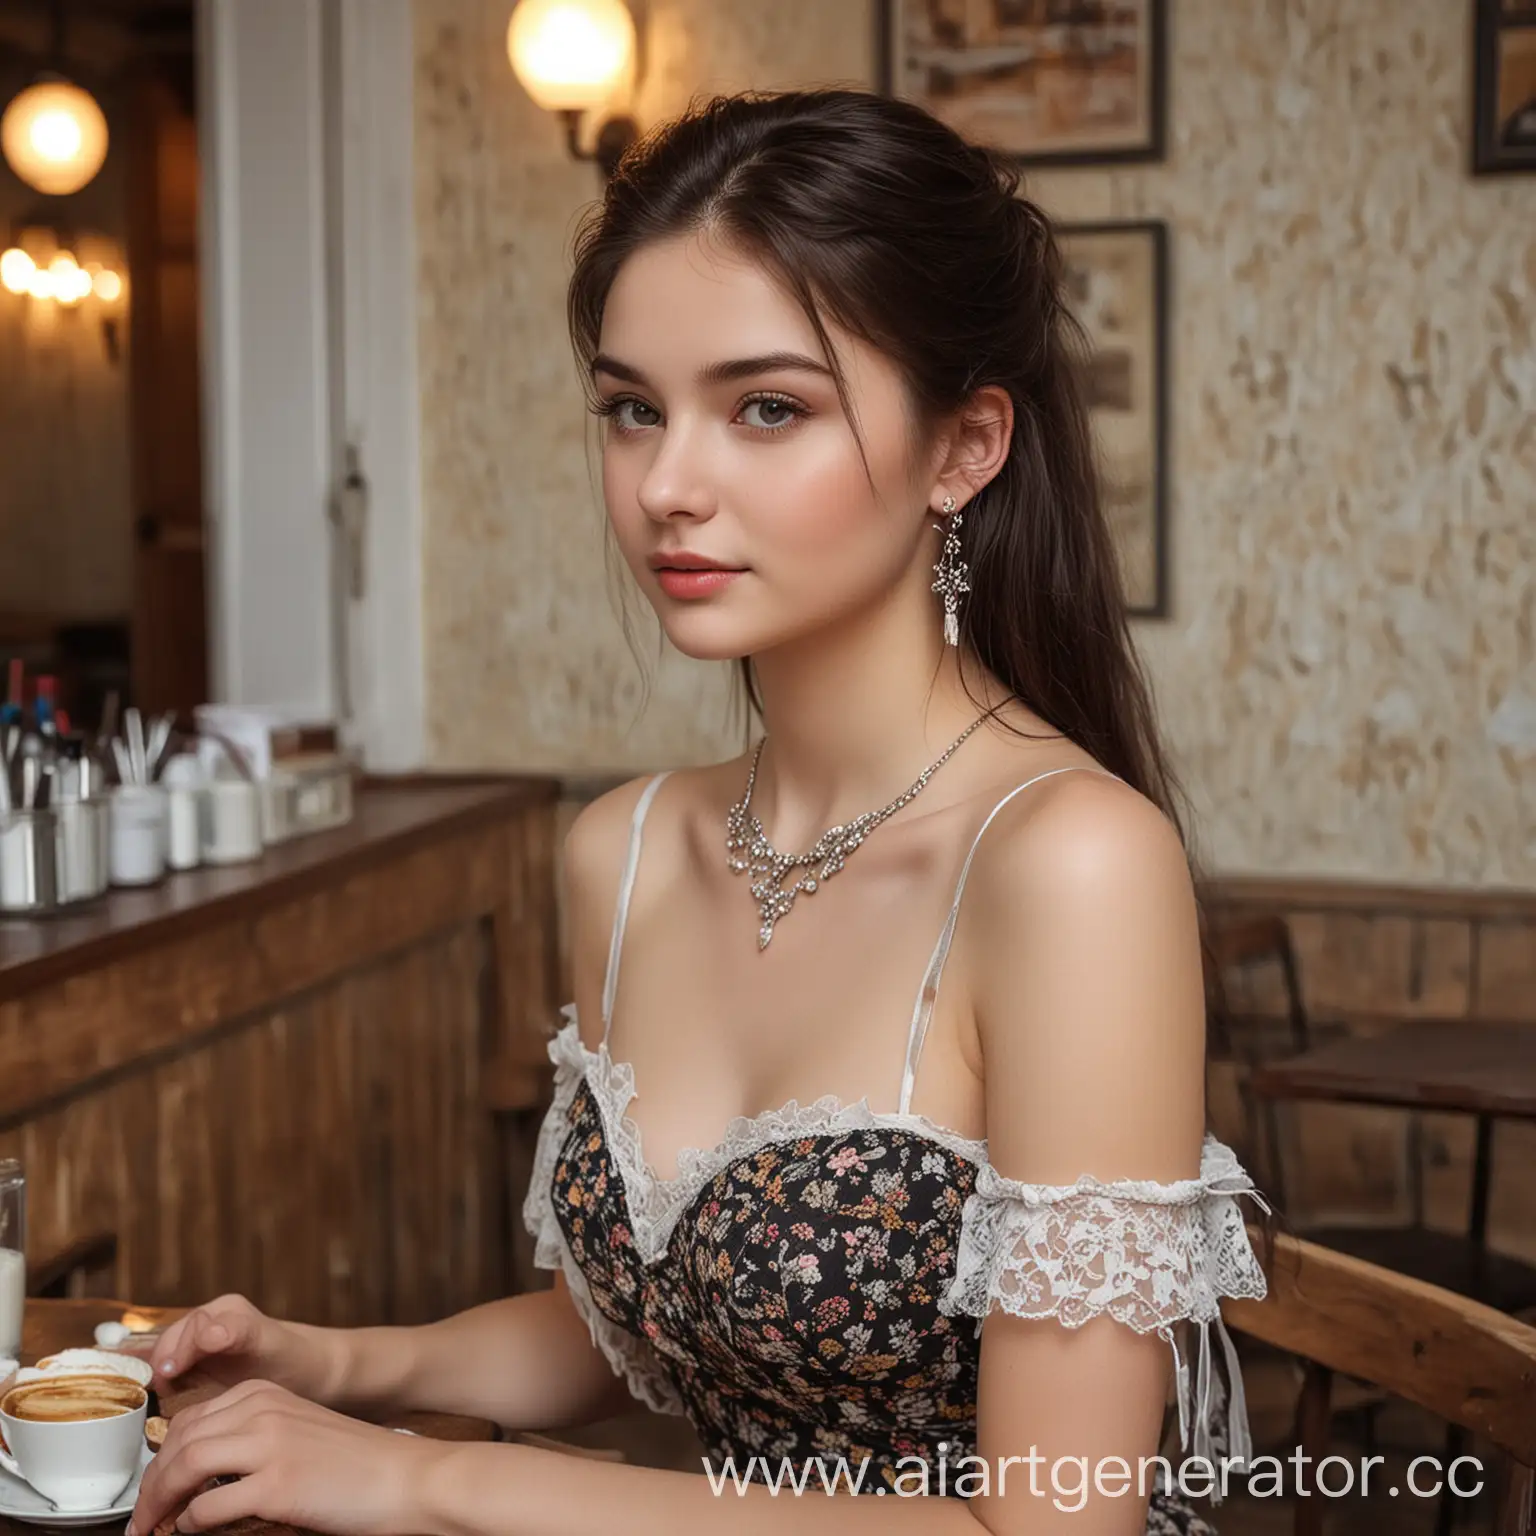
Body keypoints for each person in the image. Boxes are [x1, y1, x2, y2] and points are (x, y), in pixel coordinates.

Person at [126, 88, 1269, 1536]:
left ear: (964, 449)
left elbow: (1054, 1527)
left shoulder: (1072, 865)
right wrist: (340, 1364)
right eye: (630, 410)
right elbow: (647, 1328)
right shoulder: (626, 849)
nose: (666, 484)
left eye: (767, 408)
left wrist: (428, 1475)